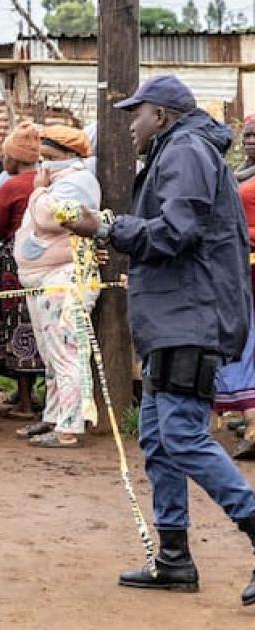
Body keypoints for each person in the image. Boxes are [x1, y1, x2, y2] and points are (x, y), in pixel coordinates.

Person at [63, 75, 255, 603]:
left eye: (137, 113)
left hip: (190, 318)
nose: (129, 125)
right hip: (176, 318)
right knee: (158, 440)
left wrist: (104, 229)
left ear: (163, 117)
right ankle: (173, 557)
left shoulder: (186, 151)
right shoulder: (181, 148)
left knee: (182, 436)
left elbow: (176, 232)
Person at [13, 125, 99, 448]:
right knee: (50, 354)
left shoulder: (77, 181)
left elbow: (49, 219)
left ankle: (68, 427)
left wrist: (37, 191)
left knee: (66, 353)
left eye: (49, 158)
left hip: (65, 279)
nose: (42, 166)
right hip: (43, 279)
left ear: (69, 156)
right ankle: (53, 415)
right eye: (41, 158)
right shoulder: (58, 182)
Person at [0, 122, 45, 424]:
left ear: (14, 158)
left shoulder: (12, 186)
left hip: (17, 260)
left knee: (17, 326)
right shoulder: (48, 180)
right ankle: (38, 393)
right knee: (40, 325)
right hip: (48, 259)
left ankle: (25, 401)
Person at [223, 116, 255, 459]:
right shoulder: (242, 174)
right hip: (238, 273)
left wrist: (238, 237)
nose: (250, 141)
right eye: (247, 135)